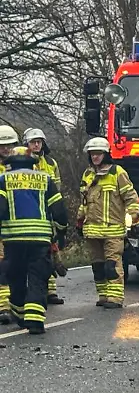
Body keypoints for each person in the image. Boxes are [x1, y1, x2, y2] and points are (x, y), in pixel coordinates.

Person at [0, 147, 68, 334]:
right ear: (32, 162)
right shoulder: (45, 179)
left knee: (16, 276)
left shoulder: (3, 180)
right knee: (38, 277)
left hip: (13, 239)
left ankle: (21, 314)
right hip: (40, 239)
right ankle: (36, 321)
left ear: (10, 162)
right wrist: (61, 232)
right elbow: (59, 210)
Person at [77, 137, 139, 309]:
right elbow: (84, 201)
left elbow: (130, 197)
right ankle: (103, 295)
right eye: (92, 154)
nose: (95, 157)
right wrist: (79, 221)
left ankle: (115, 298)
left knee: (112, 265)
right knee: (98, 266)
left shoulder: (117, 172)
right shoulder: (88, 174)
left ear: (106, 154)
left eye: (98, 153)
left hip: (113, 230)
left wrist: (135, 219)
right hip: (92, 230)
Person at [23, 128, 65, 305]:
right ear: (27, 144)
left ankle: (51, 291)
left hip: (47, 211)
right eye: (33, 142)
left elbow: (57, 186)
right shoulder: (22, 162)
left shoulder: (50, 163)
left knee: (50, 249)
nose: (37, 145)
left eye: (39, 142)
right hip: (30, 212)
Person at [0, 126, 20, 325]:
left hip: (17, 226)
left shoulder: (21, 168)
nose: (6, 149)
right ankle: (4, 307)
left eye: (9, 145)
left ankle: (14, 305)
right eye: (2, 146)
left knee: (15, 267)